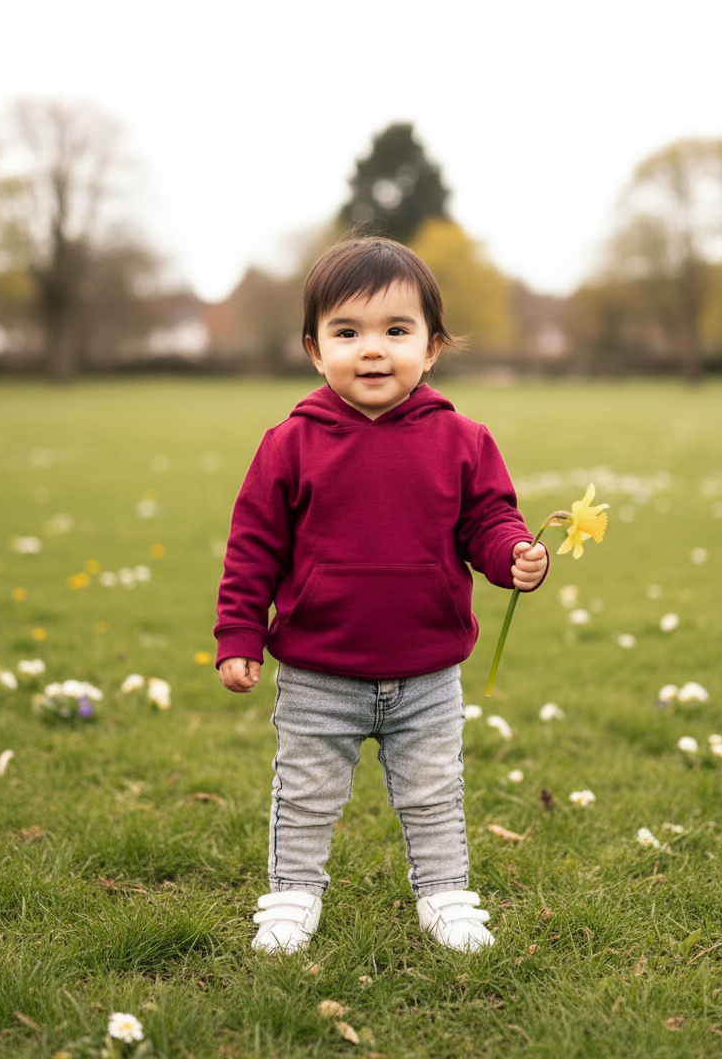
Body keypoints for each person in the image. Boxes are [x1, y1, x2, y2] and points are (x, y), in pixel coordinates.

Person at [215, 237, 549, 955]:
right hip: (318, 670)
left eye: (396, 331)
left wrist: (513, 557)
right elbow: (253, 549)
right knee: (304, 796)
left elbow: (488, 521)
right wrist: (239, 636)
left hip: (427, 670)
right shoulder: (288, 445)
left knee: (434, 796)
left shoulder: (463, 439)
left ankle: (446, 897)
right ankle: (292, 898)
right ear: (314, 349)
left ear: (431, 349)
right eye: (348, 332)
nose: (373, 350)